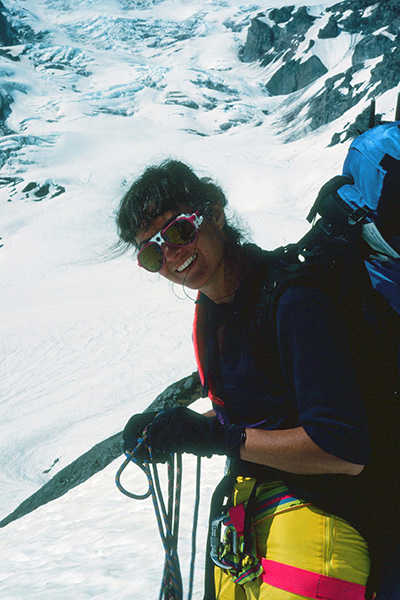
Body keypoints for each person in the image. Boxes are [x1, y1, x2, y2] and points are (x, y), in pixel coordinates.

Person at [117, 159, 397, 600]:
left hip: (333, 517)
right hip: (260, 521)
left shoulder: (295, 299)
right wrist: (174, 427)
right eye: (152, 252)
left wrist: (216, 436)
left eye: (177, 232)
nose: (171, 255)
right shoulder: (214, 313)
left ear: (215, 213)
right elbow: (256, 407)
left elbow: (343, 448)